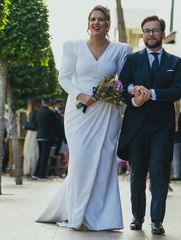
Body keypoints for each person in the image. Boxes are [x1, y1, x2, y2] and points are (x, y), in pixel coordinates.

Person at [35, 5, 132, 231]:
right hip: (79, 111)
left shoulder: (121, 50)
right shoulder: (73, 47)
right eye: (92, 19)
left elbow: (123, 80)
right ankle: (76, 213)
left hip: (107, 112)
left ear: (108, 24)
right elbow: (65, 78)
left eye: (101, 19)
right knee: (80, 161)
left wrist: (116, 91)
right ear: (88, 23)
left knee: (104, 162)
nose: (96, 23)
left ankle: (103, 218)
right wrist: (81, 95)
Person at [117, 15, 181, 235]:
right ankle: (137, 217)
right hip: (136, 126)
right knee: (137, 174)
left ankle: (157, 220)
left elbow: (177, 91)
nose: (150, 34)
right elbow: (121, 86)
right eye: (146, 30)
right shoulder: (133, 59)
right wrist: (134, 93)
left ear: (163, 34)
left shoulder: (174, 62)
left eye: (154, 30)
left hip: (161, 128)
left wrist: (152, 93)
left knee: (159, 172)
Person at [33, 96, 59, 180]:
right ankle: (42, 175)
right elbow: (56, 123)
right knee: (45, 157)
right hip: (47, 137)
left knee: (40, 156)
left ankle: (36, 174)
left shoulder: (38, 112)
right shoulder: (50, 112)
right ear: (49, 102)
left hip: (39, 136)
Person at [23, 97, 42, 177]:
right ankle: (31, 171)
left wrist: (25, 125)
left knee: (30, 153)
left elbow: (32, 125)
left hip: (31, 135)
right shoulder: (37, 113)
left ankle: (29, 171)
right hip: (33, 134)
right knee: (33, 153)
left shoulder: (33, 113)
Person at [171, 101, 181, 181]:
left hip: (175, 139)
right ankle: (175, 174)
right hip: (178, 139)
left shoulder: (176, 117)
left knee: (175, 157)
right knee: (175, 157)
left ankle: (176, 175)